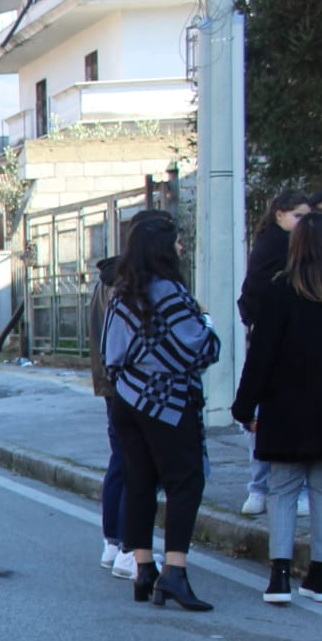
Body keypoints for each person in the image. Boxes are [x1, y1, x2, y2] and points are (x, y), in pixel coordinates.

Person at [104, 214, 221, 611]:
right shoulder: (169, 293)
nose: (182, 248)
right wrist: (207, 321)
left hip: (127, 398)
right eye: (177, 242)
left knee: (139, 481)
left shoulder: (121, 294)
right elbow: (199, 349)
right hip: (166, 400)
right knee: (185, 481)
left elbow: (110, 354)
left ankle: (143, 568)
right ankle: (175, 571)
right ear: (162, 250)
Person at [233, 209, 322, 604]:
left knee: (281, 490)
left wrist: (244, 406)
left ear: (296, 246)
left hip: (286, 410)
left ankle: (279, 576)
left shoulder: (280, 290)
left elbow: (261, 356)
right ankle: (320, 575)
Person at [89, 211, 177, 582]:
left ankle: (114, 542)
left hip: (112, 382)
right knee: (137, 466)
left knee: (122, 461)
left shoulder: (110, 278)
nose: (179, 247)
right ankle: (129, 547)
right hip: (134, 385)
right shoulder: (132, 283)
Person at [237, 190, 311, 517]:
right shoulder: (278, 245)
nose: (302, 224)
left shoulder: (271, 243)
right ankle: (264, 487)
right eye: (298, 216)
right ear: (279, 214)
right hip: (275, 339)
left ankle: (261, 488)